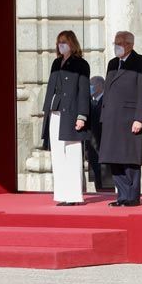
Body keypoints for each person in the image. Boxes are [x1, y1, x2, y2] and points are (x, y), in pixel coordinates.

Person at [99, 31, 142, 207]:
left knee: (129, 158)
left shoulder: (141, 62)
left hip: (129, 118)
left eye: (120, 42)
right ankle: (122, 195)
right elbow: (108, 90)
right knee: (114, 158)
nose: (117, 45)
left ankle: (132, 196)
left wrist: (140, 118)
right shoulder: (113, 63)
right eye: (115, 42)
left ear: (130, 44)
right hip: (111, 118)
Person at [41, 30, 91, 206]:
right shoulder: (56, 63)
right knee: (58, 156)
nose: (60, 45)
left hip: (71, 113)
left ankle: (74, 195)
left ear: (72, 43)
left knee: (72, 154)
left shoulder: (81, 64)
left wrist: (82, 116)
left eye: (63, 41)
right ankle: (62, 194)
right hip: (54, 113)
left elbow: (84, 93)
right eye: (58, 42)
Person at [86, 76, 114, 191]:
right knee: (98, 181)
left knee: (106, 181)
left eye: (92, 84)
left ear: (100, 86)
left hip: (104, 145)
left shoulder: (106, 101)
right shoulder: (91, 102)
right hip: (93, 147)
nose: (90, 87)